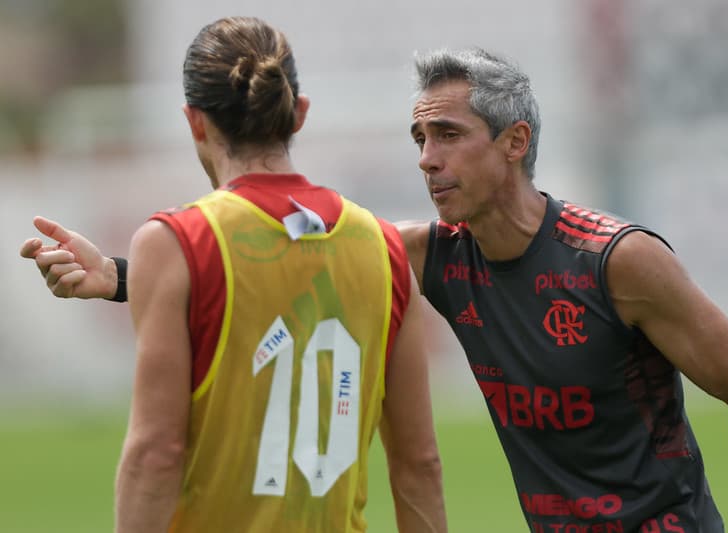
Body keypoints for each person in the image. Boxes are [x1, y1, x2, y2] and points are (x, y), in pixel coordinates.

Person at [20, 47, 728, 533]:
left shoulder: (617, 260)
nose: (425, 158)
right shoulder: (425, 255)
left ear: (514, 143)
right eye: (418, 138)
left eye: (447, 135)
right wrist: (120, 277)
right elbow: (284, 266)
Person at [20, 17, 447, 533]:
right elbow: (418, 463)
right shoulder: (382, 247)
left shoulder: (177, 242)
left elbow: (157, 452)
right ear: (300, 114)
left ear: (195, 121)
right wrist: (120, 277)